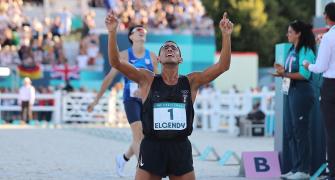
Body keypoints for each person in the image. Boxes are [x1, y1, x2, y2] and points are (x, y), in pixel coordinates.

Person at [105, 10, 232, 179]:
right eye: (165, 48)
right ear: (158, 58)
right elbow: (116, 62)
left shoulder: (191, 81)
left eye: (174, 48)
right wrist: (112, 32)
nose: (170, 48)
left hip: (180, 147)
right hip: (152, 146)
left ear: (180, 59)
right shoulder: (147, 79)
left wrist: (226, 35)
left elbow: (223, 66)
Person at [87, 25, 158, 176]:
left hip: (147, 100)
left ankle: (123, 158)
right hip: (130, 98)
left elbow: (157, 82)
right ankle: (144, 171)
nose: (141, 33)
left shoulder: (152, 57)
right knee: (138, 134)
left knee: (144, 136)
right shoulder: (124, 56)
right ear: (131, 37)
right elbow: (109, 79)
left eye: (143, 31)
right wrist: (95, 101)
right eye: (137, 31)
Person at [273, 20, 317, 179]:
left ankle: (304, 170)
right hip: (291, 91)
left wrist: (284, 74)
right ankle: (296, 167)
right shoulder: (292, 49)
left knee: (300, 131)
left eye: (290, 32)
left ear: (298, 33)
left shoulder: (305, 50)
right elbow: (290, 71)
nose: (287, 34)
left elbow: (305, 75)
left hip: (302, 92)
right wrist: (282, 70)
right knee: (290, 131)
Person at [304, 2, 335, 179]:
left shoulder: (329, 37)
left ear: (328, 16)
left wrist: (308, 64)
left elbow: (321, 66)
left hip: (331, 86)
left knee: (331, 133)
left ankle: (333, 172)